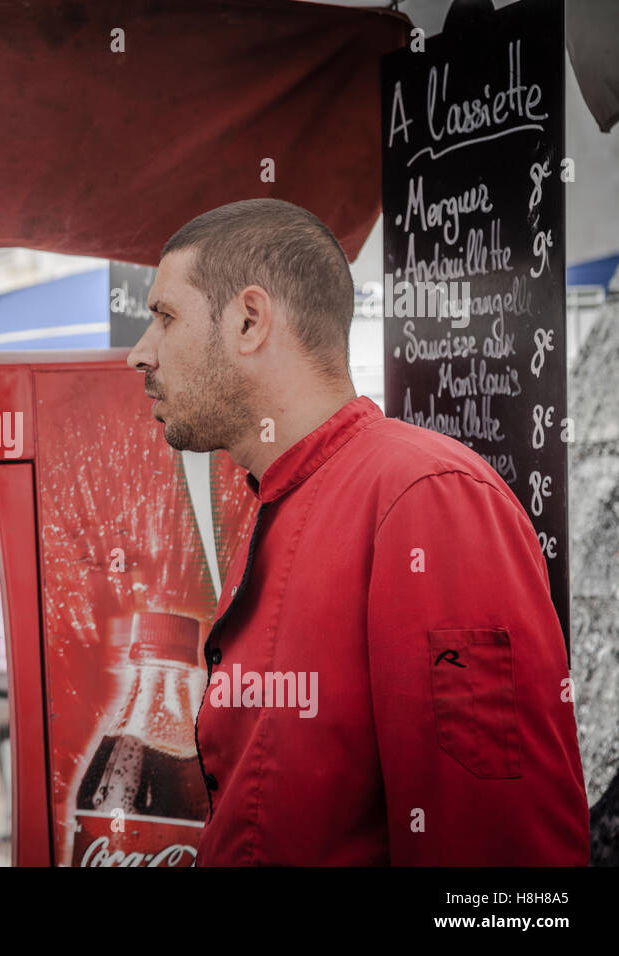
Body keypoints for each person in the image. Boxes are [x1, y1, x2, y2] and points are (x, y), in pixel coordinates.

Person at [127, 198, 589, 865]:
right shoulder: (278, 499)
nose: (140, 355)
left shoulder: (426, 496)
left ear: (250, 321)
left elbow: (500, 852)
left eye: (164, 317)